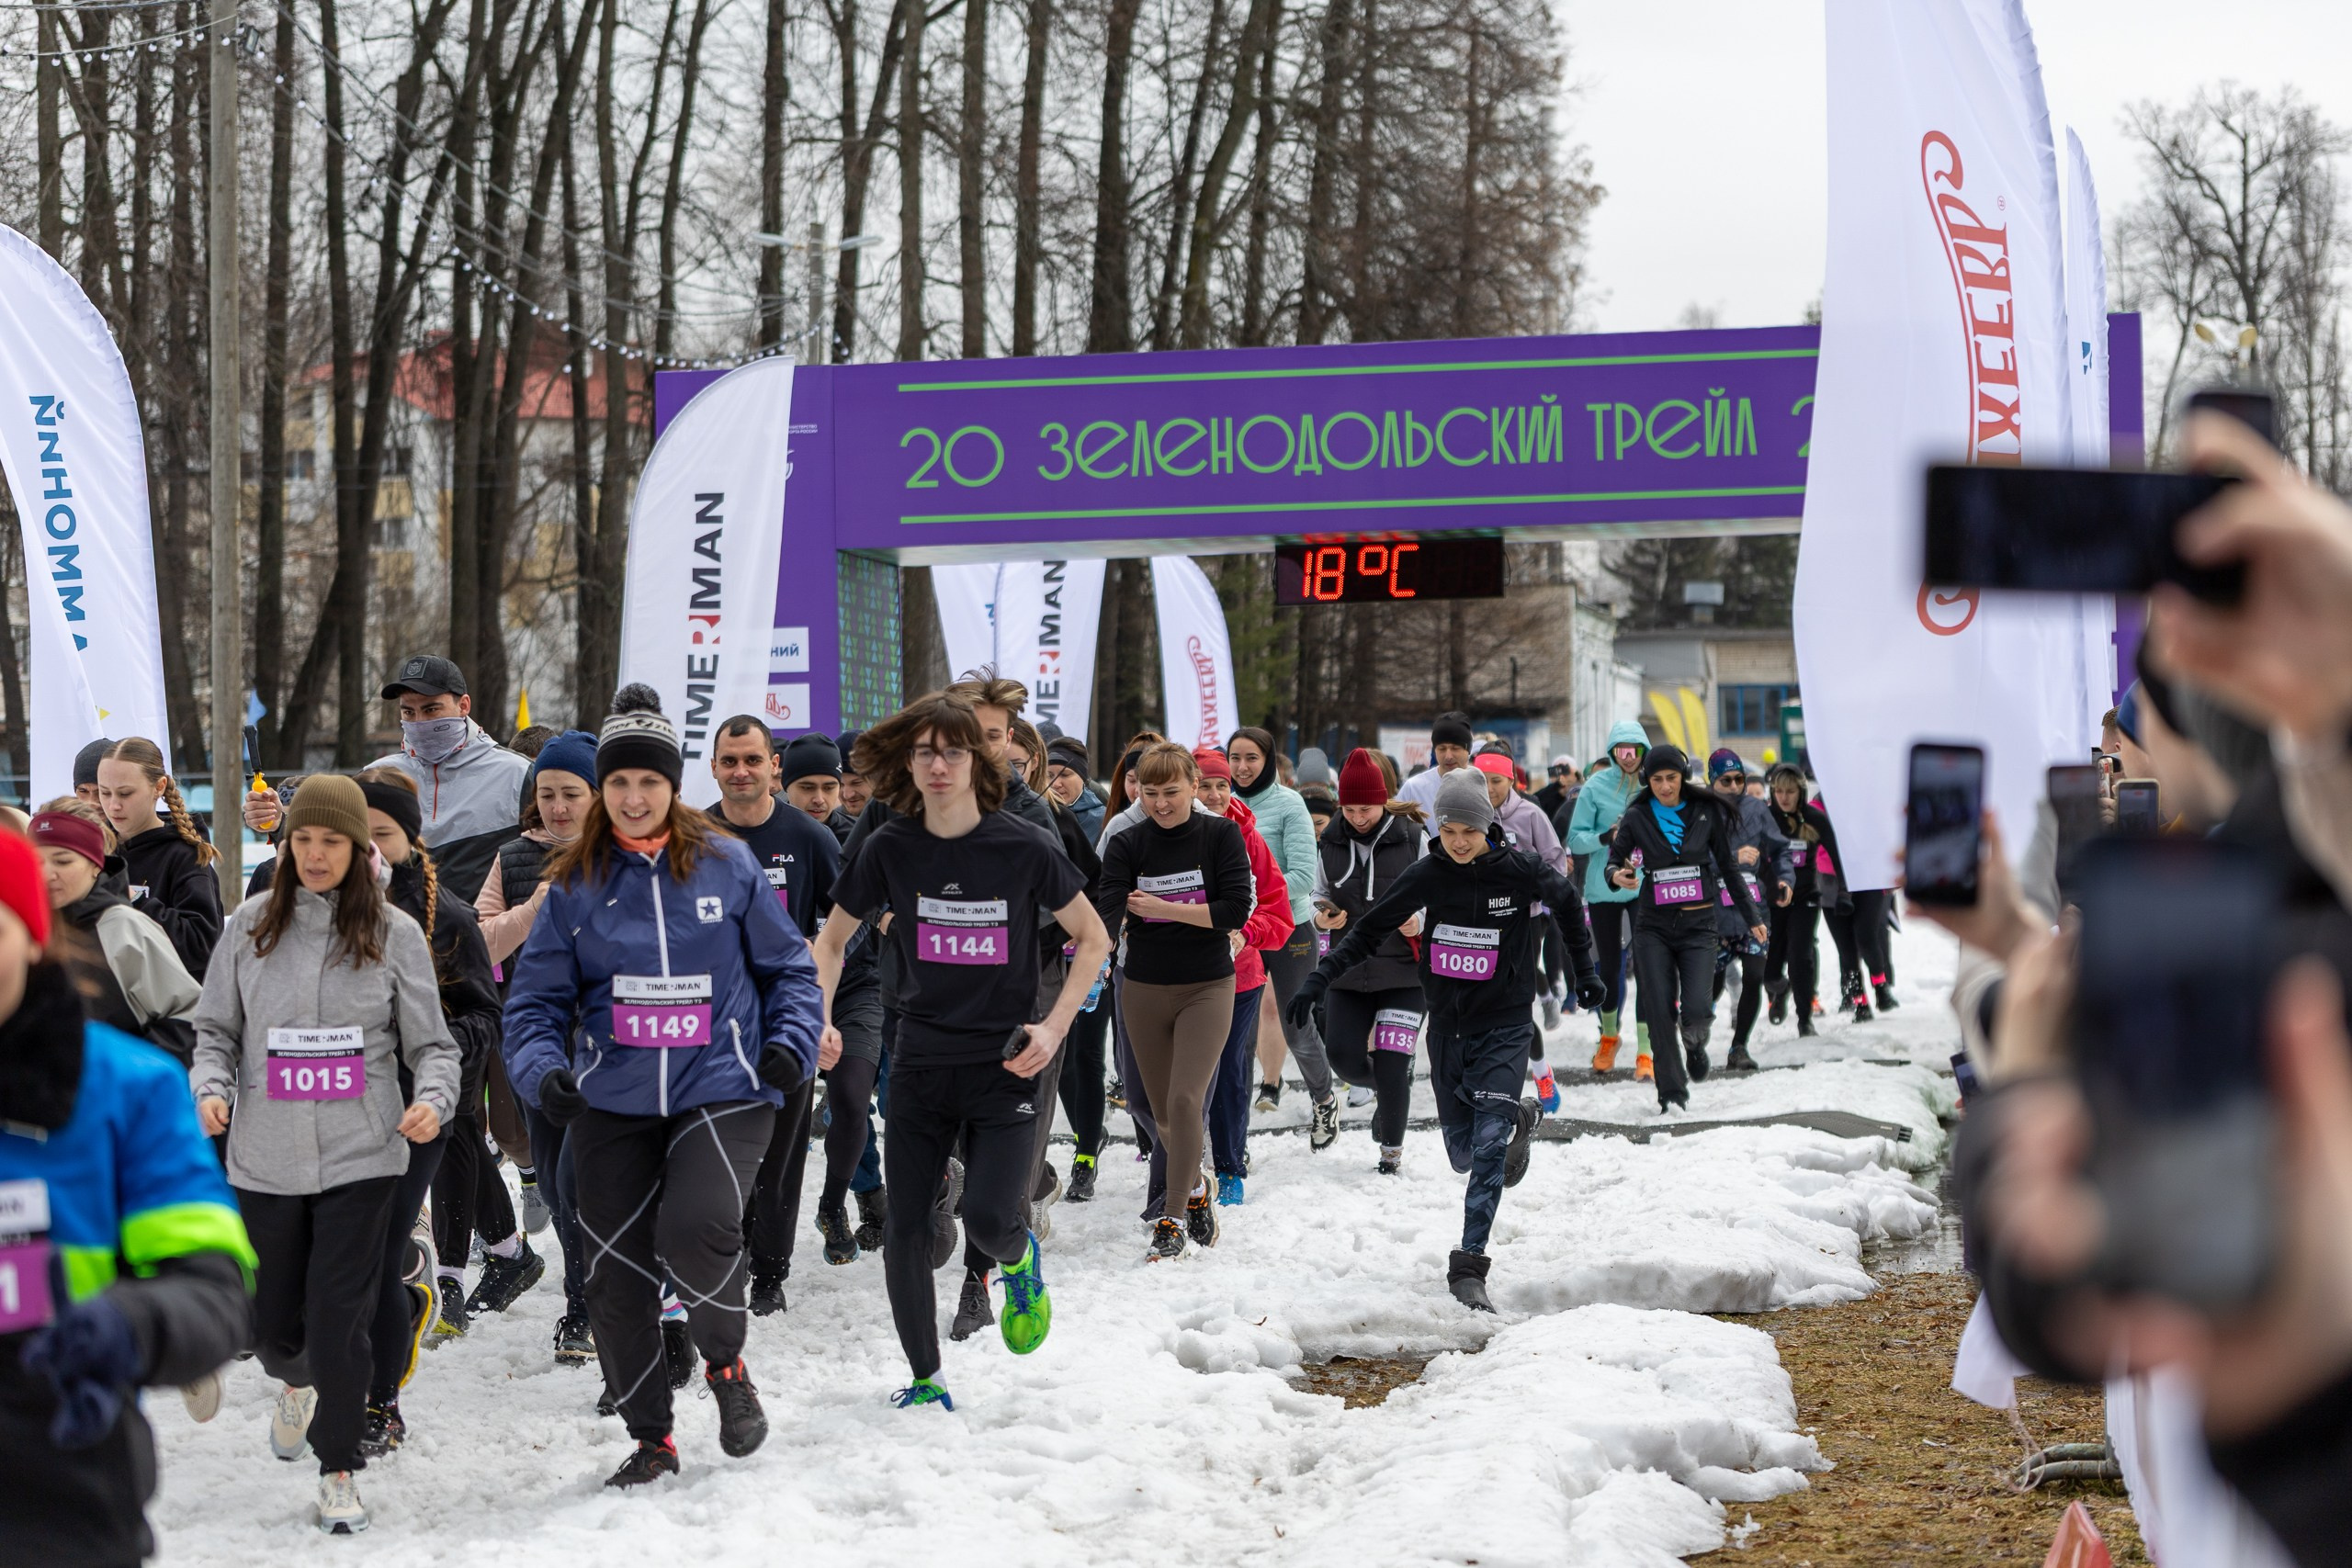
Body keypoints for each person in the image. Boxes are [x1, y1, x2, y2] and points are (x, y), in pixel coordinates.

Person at [503, 687, 821, 1487]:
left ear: (673, 787)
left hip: (725, 1082)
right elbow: (534, 1004)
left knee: (698, 1223)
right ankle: (653, 1436)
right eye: (618, 784)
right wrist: (544, 1072)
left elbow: (788, 969)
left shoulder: (725, 861)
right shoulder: (574, 885)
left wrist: (788, 1042)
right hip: (614, 1093)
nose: (634, 798)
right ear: (602, 791)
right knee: (612, 1268)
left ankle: (726, 1369)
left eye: (649, 782)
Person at [813, 693, 1107, 1408]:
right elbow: (828, 939)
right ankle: (926, 1376)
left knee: (986, 1219)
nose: (938, 764)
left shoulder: (1023, 843)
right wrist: (818, 1016)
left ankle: (1020, 1256)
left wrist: (1054, 1026)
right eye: (924, 752)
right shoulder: (889, 845)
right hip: (918, 1058)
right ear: (908, 764)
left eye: (953, 751)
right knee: (909, 1226)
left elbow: (1094, 938)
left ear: (980, 761)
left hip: (1006, 1062)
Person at [190, 773, 459, 1534]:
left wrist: (431, 1101)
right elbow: (214, 1032)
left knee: (340, 1313)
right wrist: (210, 1086)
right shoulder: (248, 928)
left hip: (362, 1154)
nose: (314, 853)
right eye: (301, 839)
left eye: (331, 841)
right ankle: (295, 1380)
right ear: (285, 845)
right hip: (266, 1156)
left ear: (357, 848)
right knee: (275, 1324)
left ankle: (339, 1465)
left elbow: (434, 1046)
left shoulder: (394, 933)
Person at [0, 827, 256, 1565]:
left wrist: (127, 1324)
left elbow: (214, 1286)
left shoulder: (126, 1088)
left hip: (63, 1483)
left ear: (30, 936)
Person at [1293, 773, 1602, 1310]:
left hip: (1505, 1025)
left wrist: (1585, 973)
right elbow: (1368, 930)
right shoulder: (1429, 873)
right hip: (1449, 1029)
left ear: (1489, 826)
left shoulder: (1520, 870)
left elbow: (1569, 906)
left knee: (1485, 1152)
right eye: (1450, 830)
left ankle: (1469, 1267)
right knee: (1463, 1153)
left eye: (1469, 831)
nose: (1459, 841)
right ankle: (1521, 1121)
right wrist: (1321, 976)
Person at [341, 770, 515, 1452]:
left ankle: (379, 1400)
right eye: (352, 835)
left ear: (410, 839)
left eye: (379, 834)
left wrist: (431, 1061)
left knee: (373, 1253)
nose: (365, 849)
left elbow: (482, 1017)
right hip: (319, 1108)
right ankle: (382, 1319)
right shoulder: (298, 905)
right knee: (318, 1255)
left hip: (413, 1114)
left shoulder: (448, 919)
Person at [1094, 742, 1255, 1259]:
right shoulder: (1127, 839)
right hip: (1142, 985)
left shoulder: (1220, 834)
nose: (1161, 803)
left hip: (1207, 983)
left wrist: (1164, 907)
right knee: (1147, 1105)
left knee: (1186, 1100)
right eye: (1150, 792)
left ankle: (1172, 1216)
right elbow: (1107, 907)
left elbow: (1232, 911)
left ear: (1192, 786)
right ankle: (1195, 1187)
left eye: (1171, 792)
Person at [707, 715, 842, 1314]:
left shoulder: (811, 839)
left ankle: (769, 1269)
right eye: (730, 760)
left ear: (773, 767)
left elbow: (846, 929)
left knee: (779, 1156)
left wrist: (820, 1007)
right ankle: (719, 1259)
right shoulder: (689, 834)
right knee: (711, 1150)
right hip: (707, 1026)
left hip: (787, 1020)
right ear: (713, 767)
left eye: (752, 760)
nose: (741, 771)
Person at [473, 728, 598, 1364]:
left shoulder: (626, 857)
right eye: (546, 794)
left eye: (570, 794)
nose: (556, 807)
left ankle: (586, 1306)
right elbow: (481, 941)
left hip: (605, 1041)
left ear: (597, 795)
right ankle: (591, 1293)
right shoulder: (515, 857)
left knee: (579, 1178)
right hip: (534, 1034)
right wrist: (534, 911)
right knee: (551, 1175)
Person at [248, 655, 528, 904]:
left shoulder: (517, 773)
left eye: (431, 709)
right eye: (409, 711)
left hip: (485, 948)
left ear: (463, 705)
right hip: (387, 940)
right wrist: (279, 824)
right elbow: (337, 843)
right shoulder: (377, 776)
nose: (419, 722)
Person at [1604, 746, 1766, 1111]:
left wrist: (1753, 917)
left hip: (1699, 927)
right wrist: (1617, 875)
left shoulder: (1705, 811)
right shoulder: (1637, 815)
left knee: (1696, 1009)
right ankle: (1672, 1094)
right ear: (1648, 780)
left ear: (1683, 778)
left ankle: (1694, 1043)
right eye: (1657, 779)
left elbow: (1727, 868)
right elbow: (1614, 862)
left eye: (1671, 778)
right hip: (1653, 928)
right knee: (1659, 1010)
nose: (1664, 787)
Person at [1311, 749, 1430, 1169]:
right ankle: (1392, 1088)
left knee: (1393, 1061)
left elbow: (1436, 892)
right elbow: (1315, 889)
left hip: (1404, 972)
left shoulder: (1414, 837)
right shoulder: (1330, 839)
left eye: (1366, 808)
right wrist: (1320, 915)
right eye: (1350, 807)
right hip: (1349, 969)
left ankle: (1391, 1154)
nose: (1358, 816)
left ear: (1383, 801)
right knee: (1343, 1058)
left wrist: (1418, 918)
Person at [1195, 748, 1295, 1206]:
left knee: (1232, 1071)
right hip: (1177, 977)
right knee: (1187, 1075)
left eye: (1223, 785)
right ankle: (1183, 1161)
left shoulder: (1248, 837)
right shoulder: (1156, 833)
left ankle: (1231, 1165)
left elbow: (1277, 907)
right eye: (1204, 784)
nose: (1215, 794)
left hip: (1240, 975)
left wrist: (1244, 934)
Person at [31, 806, 201, 1062]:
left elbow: (189, 1018)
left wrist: (128, 1075)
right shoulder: (18, 931)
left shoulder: (123, 927)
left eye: (63, 861)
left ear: (95, 864)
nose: (47, 874)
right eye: (36, 861)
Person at [1228, 727, 1322, 1119]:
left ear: (1268, 761)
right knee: (1238, 1039)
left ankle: (1323, 1099)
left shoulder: (1289, 804)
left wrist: (1252, 893)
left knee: (1296, 1027)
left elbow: (1304, 877)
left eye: (1252, 758)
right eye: (1235, 758)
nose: (1243, 766)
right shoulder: (1222, 805)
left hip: (1289, 929)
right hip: (1241, 935)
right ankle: (1236, 1133)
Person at [1475, 745, 1574, 1099]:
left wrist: (1537, 894)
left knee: (1515, 1000)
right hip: (1481, 924)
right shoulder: (1469, 815)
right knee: (1485, 999)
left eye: (1496, 781)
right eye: (1482, 780)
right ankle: (1490, 1073)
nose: (1489, 788)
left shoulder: (1531, 815)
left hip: (1525, 923)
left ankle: (1541, 1072)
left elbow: (1556, 862)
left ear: (1511, 779)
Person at [92, 738, 221, 983]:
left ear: (159, 787)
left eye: (126, 793)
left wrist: (135, 900)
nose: (113, 805)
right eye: (104, 792)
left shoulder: (185, 855)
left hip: (169, 1010)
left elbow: (201, 944)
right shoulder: (93, 849)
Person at [1566, 720, 1652, 1077]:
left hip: (1644, 887)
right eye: (1621, 750)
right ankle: (1610, 1037)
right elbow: (1575, 838)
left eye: (1634, 750)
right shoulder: (1595, 786)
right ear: (1612, 752)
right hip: (1603, 888)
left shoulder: (1652, 784)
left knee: (1647, 967)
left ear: (1643, 751)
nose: (1628, 757)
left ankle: (1646, 1050)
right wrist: (1607, 836)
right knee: (1611, 968)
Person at [1703, 750, 1793, 1072]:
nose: (1734, 785)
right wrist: (1731, 857)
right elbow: (1690, 857)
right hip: (1713, 912)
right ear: (1711, 780)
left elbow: (1781, 848)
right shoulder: (1700, 810)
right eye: (1725, 780)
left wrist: (1785, 879)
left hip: (1753, 912)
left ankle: (1739, 1047)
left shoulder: (1756, 809)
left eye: (1739, 779)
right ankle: (1696, 1037)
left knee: (1755, 976)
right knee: (1710, 985)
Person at [1763, 763, 1835, 1038]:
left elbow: (1835, 850)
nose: (1784, 797)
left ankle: (1805, 1019)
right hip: (1775, 898)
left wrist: (1843, 892)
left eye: (1790, 791)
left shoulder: (1812, 817)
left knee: (1800, 957)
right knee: (1771, 967)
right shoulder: (1767, 817)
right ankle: (1778, 990)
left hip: (1806, 896)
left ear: (1800, 792)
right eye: (1778, 791)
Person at [1396, 711, 1477, 818]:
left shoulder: (1482, 785)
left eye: (1455, 748)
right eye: (1442, 749)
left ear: (1468, 749)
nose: (1448, 756)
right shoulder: (1414, 789)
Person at [782, 733, 857, 839]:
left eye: (828, 788)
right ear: (785, 785)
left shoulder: (860, 836)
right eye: (808, 788)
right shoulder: (764, 833)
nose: (819, 799)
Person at [1045, 735, 1105, 844]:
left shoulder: (1104, 821)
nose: (1056, 784)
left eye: (1065, 774)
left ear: (1083, 778)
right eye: (1049, 775)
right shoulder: (1035, 814)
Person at [835, 730, 872, 819]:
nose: (847, 795)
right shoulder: (828, 828)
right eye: (840, 785)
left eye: (856, 783)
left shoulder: (904, 822)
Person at [1533, 756, 1580, 820]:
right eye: (1556, 772)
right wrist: (1557, 786)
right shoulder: (1544, 796)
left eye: (1565, 771)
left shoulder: (1582, 793)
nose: (1561, 777)